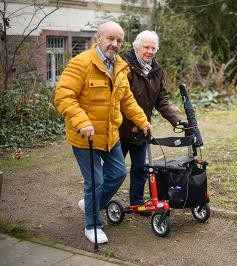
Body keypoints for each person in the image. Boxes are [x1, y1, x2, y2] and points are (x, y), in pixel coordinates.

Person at [54, 21, 152, 244]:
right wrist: (82, 121)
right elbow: (63, 96)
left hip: (110, 134)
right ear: (98, 38)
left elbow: (127, 100)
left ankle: (90, 204)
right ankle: (93, 225)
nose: (115, 44)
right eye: (110, 38)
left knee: (118, 173)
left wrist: (142, 121)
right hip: (84, 136)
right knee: (95, 181)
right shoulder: (80, 63)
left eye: (119, 40)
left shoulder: (120, 66)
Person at [119, 30, 181, 208]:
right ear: (137, 47)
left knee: (140, 169)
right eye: (146, 47)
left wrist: (176, 121)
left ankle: (136, 204)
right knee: (114, 172)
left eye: (153, 48)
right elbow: (121, 99)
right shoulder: (123, 66)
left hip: (141, 130)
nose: (150, 51)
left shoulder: (156, 70)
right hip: (119, 129)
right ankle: (99, 201)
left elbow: (162, 100)